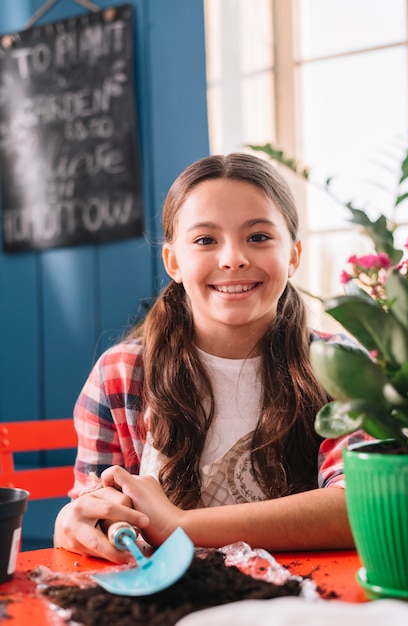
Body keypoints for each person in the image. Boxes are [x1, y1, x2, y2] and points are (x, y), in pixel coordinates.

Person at [54, 152, 370, 563]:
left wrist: (179, 525)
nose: (232, 258)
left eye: (258, 237)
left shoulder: (339, 365)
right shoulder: (121, 375)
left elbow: (361, 507)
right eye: (205, 240)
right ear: (173, 262)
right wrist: (79, 522)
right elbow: (95, 517)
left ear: (293, 255)